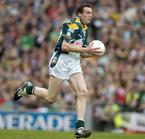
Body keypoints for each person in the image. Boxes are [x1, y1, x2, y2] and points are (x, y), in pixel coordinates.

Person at [13, 4, 101, 138]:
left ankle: (79, 128)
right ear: (79, 14)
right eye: (87, 12)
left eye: (91, 13)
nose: (90, 15)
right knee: (50, 98)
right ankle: (29, 89)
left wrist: (94, 53)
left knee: (83, 92)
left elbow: (82, 53)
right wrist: (86, 50)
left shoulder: (84, 29)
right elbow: (65, 46)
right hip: (61, 61)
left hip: (74, 63)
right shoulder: (72, 25)